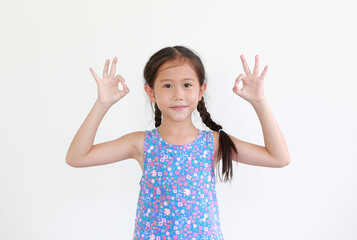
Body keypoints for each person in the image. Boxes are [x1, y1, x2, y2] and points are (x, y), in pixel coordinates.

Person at [66, 46, 290, 239]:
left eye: (187, 85)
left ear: (201, 90)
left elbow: (279, 158)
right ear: (150, 92)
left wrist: (259, 102)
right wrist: (102, 104)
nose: (178, 94)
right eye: (167, 86)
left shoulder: (214, 143)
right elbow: (77, 157)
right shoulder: (141, 144)